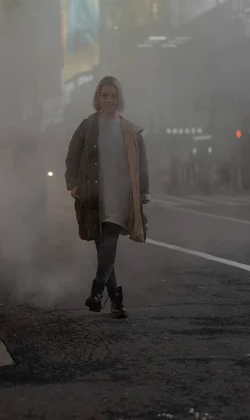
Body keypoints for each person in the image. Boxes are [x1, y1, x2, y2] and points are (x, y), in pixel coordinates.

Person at [65, 76, 150, 319]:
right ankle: (116, 302)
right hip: (94, 197)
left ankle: (96, 292)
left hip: (120, 195)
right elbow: (72, 155)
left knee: (110, 241)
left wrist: (143, 190)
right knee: (104, 250)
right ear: (98, 98)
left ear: (119, 99)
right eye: (105, 96)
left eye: (113, 96)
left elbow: (141, 163)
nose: (109, 100)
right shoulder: (88, 126)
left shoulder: (130, 130)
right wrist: (72, 184)